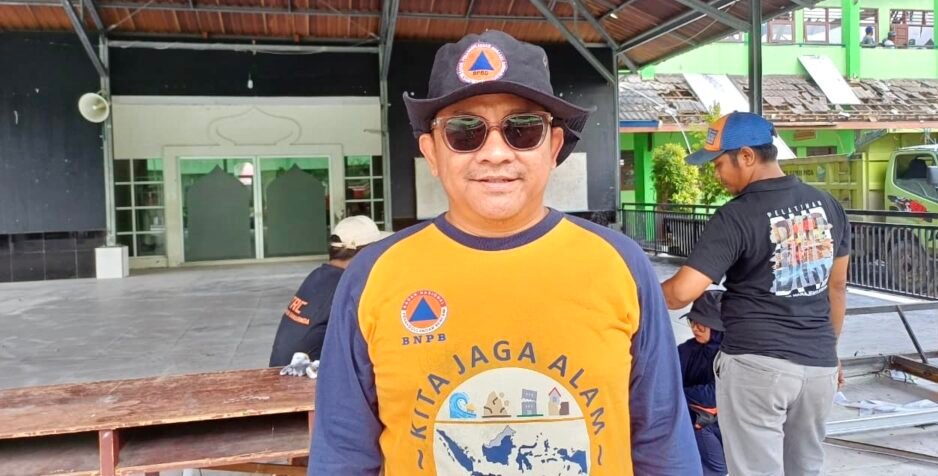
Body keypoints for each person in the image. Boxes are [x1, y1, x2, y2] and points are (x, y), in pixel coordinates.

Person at [308, 30, 699, 475]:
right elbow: (342, 454)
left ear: (553, 147)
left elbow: (663, 442)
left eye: (523, 129)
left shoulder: (621, 265)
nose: (495, 153)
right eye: (464, 131)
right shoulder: (373, 276)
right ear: (431, 153)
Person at [661, 111, 850, 476]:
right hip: (819, 369)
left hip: (757, 368)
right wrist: (831, 350)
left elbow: (679, 293)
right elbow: (837, 286)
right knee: (805, 469)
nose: (716, 175)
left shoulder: (736, 216)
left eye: (719, 164)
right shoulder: (828, 205)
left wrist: (633, 289)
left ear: (746, 156)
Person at [268, 215, 389, 370]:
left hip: (281, 373)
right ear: (364, 254)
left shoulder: (318, 276)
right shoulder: (348, 288)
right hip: (307, 379)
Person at [678, 290, 727, 476]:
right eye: (692, 321)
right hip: (695, 423)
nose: (695, 328)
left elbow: (715, 394)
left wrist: (678, 394)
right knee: (716, 469)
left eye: (702, 324)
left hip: (724, 427)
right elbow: (664, 381)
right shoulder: (686, 350)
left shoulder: (734, 358)